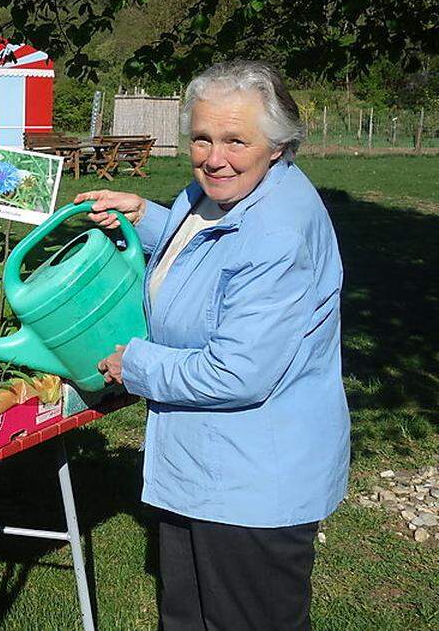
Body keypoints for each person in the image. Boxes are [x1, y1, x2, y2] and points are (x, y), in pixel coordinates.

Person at [75, 60, 349, 630]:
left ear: (277, 146)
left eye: (235, 141)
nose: (214, 157)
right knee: (189, 617)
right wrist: (147, 217)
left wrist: (138, 364)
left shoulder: (277, 231)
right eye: (201, 138)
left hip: (251, 483)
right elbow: (205, 247)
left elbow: (236, 373)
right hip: (207, 469)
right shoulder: (225, 193)